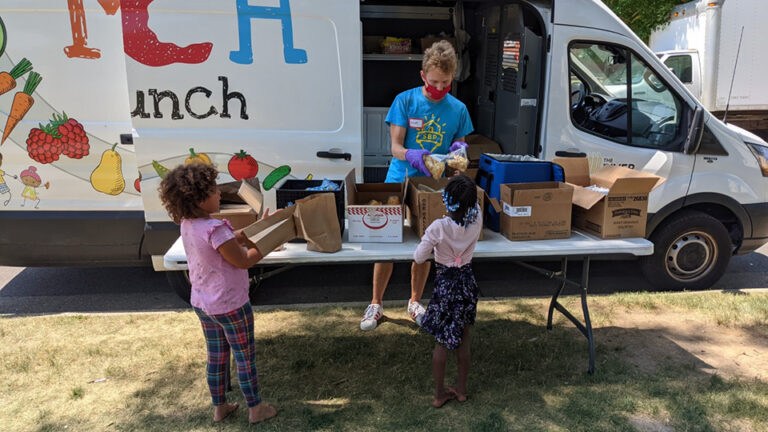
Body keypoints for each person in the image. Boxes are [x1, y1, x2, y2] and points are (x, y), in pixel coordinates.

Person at [360, 40, 474, 331]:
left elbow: (460, 146)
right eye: (434, 81)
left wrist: (459, 151)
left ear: (453, 78)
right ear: (423, 74)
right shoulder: (406, 101)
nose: (439, 88)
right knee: (386, 245)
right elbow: (396, 147)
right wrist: (414, 154)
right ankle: (375, 303)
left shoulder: (458, 109)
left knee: (427, 243)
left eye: (446, 83)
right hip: (400, 180)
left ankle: (414, 301)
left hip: (433, 186)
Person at [158, 163, 278, 424]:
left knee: (217, 356)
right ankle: (256, 408)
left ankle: (220, 407)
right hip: (231, 305)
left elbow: (226, 241)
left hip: (203, 303)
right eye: (214, 190)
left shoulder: (190, 224)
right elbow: (244, 261)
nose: (220, 193)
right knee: (245, 357)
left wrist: (260, 227)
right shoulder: (216, 229)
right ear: (199, 198)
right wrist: (270, 241)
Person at [413, 175, 482, 408]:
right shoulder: (477, 221)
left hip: (445, 287)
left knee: (442, 342)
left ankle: (439, 393)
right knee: (464, 339)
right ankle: (461, 390)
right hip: (467, 283)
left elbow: (419, 257)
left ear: (446, 201)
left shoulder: (438, 228)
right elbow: (475, 206)